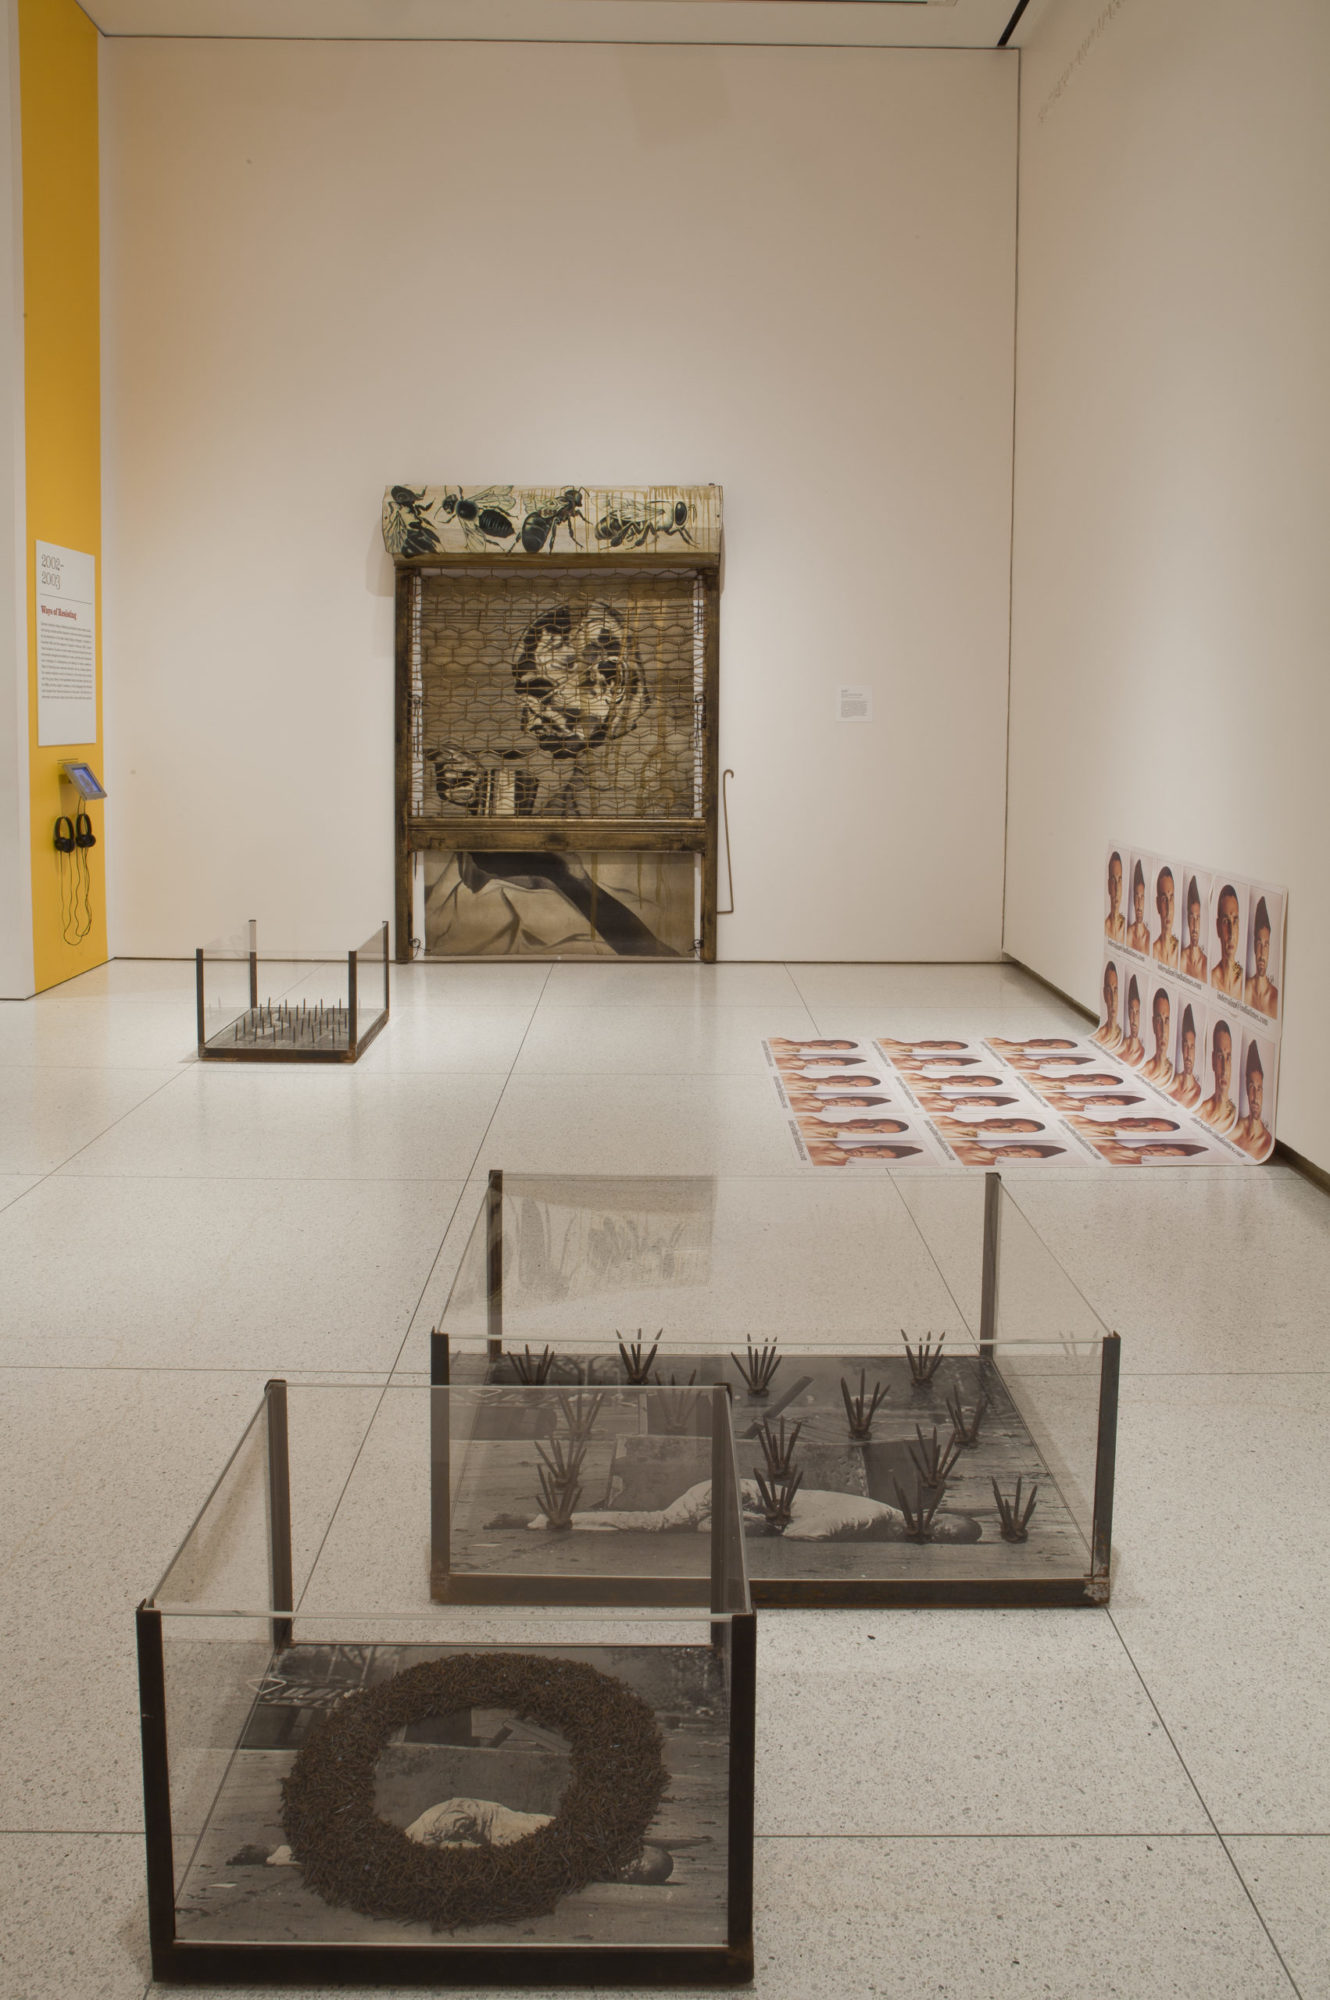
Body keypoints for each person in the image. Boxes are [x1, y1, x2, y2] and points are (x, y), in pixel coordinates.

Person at [1232, 1043, 1274, 1161]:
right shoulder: (1236, 1127)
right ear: (1246, 1088)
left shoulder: (1267, 1141)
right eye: (1252, 1088)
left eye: (1259, 1089)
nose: (1256, 1097)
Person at [1197, 1019, 1237, 1134]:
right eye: (1220, 1057)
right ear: (1213, 1060)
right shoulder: (1201, 1111)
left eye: (1228, 1057)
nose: (1224, 1068)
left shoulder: (1237, 1119)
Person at [1244, 897, 1280, 1020]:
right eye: (1259, 944)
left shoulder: (1275, 998)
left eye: (1266, 945)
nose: (1262, 953)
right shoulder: (1244, 988)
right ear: (1254, 946)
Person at [1210, 884, 1243, 998]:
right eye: (1225, 922)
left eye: (1235, 921)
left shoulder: (1246, 983)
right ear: (1218, 927)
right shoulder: (1211, 979)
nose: (1231, 933)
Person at [1140, 988, 1175, 1088]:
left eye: (1166, 1021)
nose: (1164, 1030)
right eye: (1159, 1020)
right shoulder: (1145, 1069)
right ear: (1154, 1024)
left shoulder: (1174, 1074)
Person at [1169, 1005, 1202, 1109]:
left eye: (1192, 1047)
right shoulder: (1173, 1082)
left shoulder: (1199, 1092)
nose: (1188, 1054)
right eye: (1186, 1046)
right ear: (1182, 1048)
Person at [1180, 876, 1208, 981]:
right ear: (1188, 919)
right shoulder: (1182, 958)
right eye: (1192, 918)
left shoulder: (1206, 962)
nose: (1195, 926)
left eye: (1198, 918)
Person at [1152, 866, 1179, 967]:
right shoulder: (1152, 951)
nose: (1168, 909)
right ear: (1158, 904)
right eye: (1164, 899)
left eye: (1171, 898)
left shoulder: (1181, 954)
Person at [1093, 960, 1122, 1051]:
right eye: (1109, 991)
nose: (1113, 999)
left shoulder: (1122, 1035)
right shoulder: (1100, 1035)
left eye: (1115, 990)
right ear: (1104, 994)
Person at [1119, 977, 1145, 1065]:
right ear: (1128, 1014)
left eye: (1137, 1013)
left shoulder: (1143, 1051)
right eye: (1132, 1012)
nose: (1134, 1019)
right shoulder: (1121, 1046)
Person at [1126, 861, 1150, 953]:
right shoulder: (1128, 933)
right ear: (1133, 900)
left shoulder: (1149, 937)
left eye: (1142, 898)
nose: (1139, 904)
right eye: (1137, 898)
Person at [1104, 850, 1126, 943]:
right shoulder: (1104, 927)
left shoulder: (1127, 927)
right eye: (1113, 881)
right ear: (1109, 886)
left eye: (1119, 880)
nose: (1117, 888)